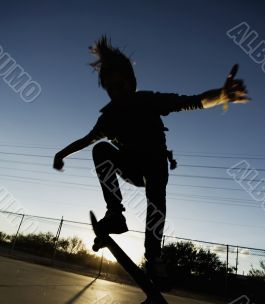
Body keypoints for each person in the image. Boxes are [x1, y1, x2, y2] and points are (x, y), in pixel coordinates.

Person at [53, 35, 250, 280]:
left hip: (154, 166)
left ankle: (153, 256)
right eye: (110, 88)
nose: (117, 93)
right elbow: (87, 140)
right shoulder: (109, 117)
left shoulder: (147, 101)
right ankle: (115, 215)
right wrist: (62, 153)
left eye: (121, 85)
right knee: (100, 149)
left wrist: (221, 95)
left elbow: (189, 102)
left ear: (131, 83)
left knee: (156, 191)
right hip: (130, 168)